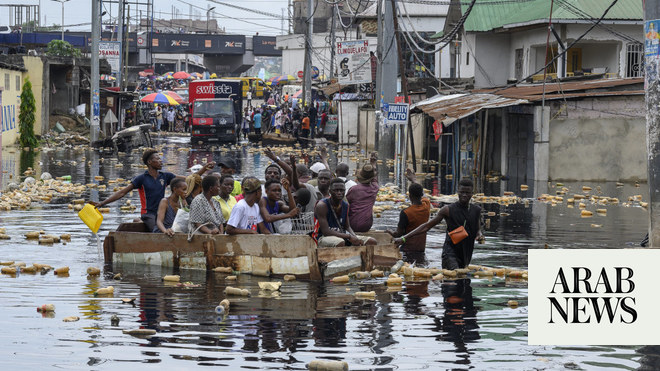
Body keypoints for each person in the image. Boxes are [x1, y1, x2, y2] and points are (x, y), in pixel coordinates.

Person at [93, 150, 213, 232]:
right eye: (157, 159)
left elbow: (190, 179)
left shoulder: (165, 176)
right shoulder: (141, 178)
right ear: (150, 162)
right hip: (148, 214)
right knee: (157, 231)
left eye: (160, 159)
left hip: (163, 212)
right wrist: (102, 204)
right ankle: (139, 220)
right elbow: (122, 192)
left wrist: (204, 168)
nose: (161, 161)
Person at [394, 178, 484, 269]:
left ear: (472, 193)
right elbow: (426, 226)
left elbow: (477, 229)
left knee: (462, 280)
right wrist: (404, 238)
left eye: (467, 193)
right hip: (450, 254)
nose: (464, 195)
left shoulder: (476, 210)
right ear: (458, 192)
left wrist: (480, 236)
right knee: (454, 278)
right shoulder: (448, 210)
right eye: (462, 192)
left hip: (466, 254)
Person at [313, 178, 377, 247]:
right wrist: (349, 237)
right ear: (330, 191)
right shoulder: (322, 205)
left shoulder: (345, 205)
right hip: (323, 237)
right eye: (336, 190)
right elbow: (326, 231)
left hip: (342, 235)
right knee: (340, 242)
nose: (339, 193)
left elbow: (347, 226)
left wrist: (354, 237)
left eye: (342, 190)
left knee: (371, 241)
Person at [387, 170, 431, 252]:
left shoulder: (406, 212)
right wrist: (414, 180)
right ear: (421, 195)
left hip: (407, 248)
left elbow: (398, 234)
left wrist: (390, 232)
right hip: (421, 248)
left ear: (410, 196)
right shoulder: (426, 205)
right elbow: (425, 195)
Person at [346, 153, 379, 232]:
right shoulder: (375, 188)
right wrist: (373, 165)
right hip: (367, 225)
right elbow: (375, 180)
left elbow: (345, 204)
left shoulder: (353, 189)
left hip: (352, 224)